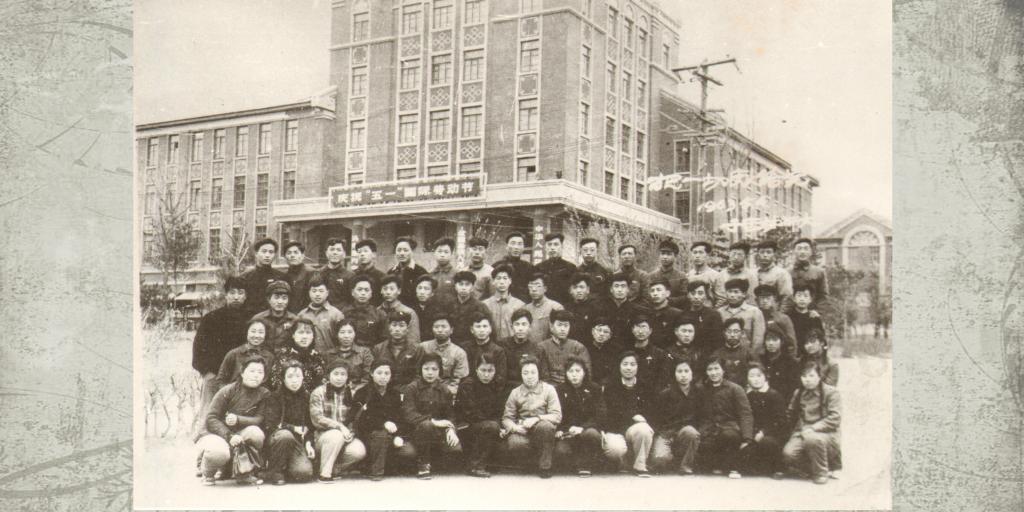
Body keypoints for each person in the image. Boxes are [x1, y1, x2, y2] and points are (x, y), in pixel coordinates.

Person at [196, 355, 270, 486]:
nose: (256, 375)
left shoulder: (263, 393)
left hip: (240, 435)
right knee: (218, 453)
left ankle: (244, 472)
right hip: (218, 434)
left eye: (260, 372)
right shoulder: (228, 390)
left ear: (264, 376)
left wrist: (238, 420)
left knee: (256, 433)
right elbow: (211, 418)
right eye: (252, 371)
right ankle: (207, 472)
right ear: (242, 372)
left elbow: (260, 419)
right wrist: (229, 436)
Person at [192, 276, 250, 415]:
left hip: (241, 378)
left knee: (236, 416)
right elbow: (199, 348)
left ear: (246, 296)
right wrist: (207, 373)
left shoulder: (250, 320)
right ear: (226, 295)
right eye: (232, 292)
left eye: (240, 293)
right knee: (209, 415)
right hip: (214, 376)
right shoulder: (211, 318)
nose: (236, 297)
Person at [401, 353, 462, 479]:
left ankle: (434, 460)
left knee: (455, 448)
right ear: (420, 369)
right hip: (415, 432)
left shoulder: (444, 390)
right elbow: (409, 414)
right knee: (425, 428)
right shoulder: (412, 388)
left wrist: (451, 429)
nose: (430, 373)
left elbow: (450, 415)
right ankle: (423, 464)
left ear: (439, 371)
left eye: (434, 369)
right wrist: (433, 421)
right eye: (426, 368)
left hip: (437, 433)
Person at [501, 356, 562, 478]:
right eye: (525, 373)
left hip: (542, 427)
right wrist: (515, 428)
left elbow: (556, 415)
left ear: (539, 373)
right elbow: (506, 418)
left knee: (546, 427)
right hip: (522, 429)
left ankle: (545, 467)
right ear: (521, 374)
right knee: (516, 444)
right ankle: (529, 465)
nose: (530, 376)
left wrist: (537, 418)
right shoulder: (515, 392)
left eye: (533, 372)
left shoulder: (549, 389)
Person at [781, 362, 841, 484]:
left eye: (811, 376)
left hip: (826, 433)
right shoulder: (799, 392)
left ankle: (821, 473)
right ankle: (810, 469)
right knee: (788, 454)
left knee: (812, 439)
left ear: (819, 376)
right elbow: (790, 414)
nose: (807, 380)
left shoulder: (831, 392)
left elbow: (835, 418)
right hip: (803, 430)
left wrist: (814, 428)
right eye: (804, 376)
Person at [309, 358, 367, 482]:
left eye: (343, 374)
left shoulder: (351, 393)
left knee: (359, 450)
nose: (339, 378)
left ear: (347, 377)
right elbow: (317, 419)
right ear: (328, 375)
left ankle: (334, 468)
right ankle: (325, 474)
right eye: (336, 374)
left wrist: (351, 432)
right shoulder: (318, 392)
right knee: (336, 435)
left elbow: (355, 418)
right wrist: (340, 427)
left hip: (344, 436)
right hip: (322, 438)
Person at [697, 357, 754, 479]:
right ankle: (716, 465)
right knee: (705, 446)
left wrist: (747, 438)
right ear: (706, 372)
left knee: (730, 437)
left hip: (729, 428)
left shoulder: (735, 389)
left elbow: (745, 414)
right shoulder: (701, 389)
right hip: (708, 430)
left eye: (716, 369)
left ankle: (733, 467)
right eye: (710, 369)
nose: (713, 373)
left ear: (723, 370)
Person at [601, 351, 656, 477]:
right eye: (625, 364)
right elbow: (610, 411)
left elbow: (650, 411)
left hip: (635, 429)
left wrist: (639, 420)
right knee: (615, 450)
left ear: (638, 366)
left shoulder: (645, 386)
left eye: (632, 364)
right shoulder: (610, 386)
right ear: (619, 366)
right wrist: (632, 416)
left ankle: (640, 466)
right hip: (615, 428)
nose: (629, 368)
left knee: (644, 429)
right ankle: (621, 462)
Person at [455, 354, 510, 478]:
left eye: (490, 371)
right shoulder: (467, 385)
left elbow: (498, 411)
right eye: (483, 370)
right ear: (476, 370)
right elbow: (470, 413)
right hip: (467, 426)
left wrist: (499, 426)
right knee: (491, 427)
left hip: (487, 425)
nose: (486, 375)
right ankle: (475, 466)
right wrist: (494, 424)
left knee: (494, 427)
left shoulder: (496, 385)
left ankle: (489, 463)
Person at [262, 360, 316, 485]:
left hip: (298, 441)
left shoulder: (307, 397)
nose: (294, 380)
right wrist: (293, 428)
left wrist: (308, 444)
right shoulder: (274, 397)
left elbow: (310, 426)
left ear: (303, 378)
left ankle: (289, 468)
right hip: (278, 439)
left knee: (304, 473)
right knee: (285, 435)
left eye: (298, 376)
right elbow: (271, 423)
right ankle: (276, 472)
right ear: (283, 379)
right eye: (290, 376)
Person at [353, 360, 406, 481]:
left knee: (408, 451)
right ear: (372, 373)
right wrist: (383, 424)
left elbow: (400, 417)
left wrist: (398, 434)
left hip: (391, 433)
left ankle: (387, 466)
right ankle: (376, 472)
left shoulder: (395, 394)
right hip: (369, 434)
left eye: (387, 373)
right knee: (380, 435)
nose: (383, 376)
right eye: (379, 373)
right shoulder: (363, 393)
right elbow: (360, 419)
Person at [554, 357, 607, 477]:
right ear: (566, 373)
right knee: (561, 452)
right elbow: (557, 413)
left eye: (578, 371)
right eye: (571, 371)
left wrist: (582, 427)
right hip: (568, 431)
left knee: (591, 434)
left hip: (587, 429)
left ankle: (586, 465)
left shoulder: (594, 388)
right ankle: (575, 464)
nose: (574, 375)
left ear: (584, 372)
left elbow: (601, 414)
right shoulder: (560, 390)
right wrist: (561, 429)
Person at [650, 360, 701, 475]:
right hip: (666, 433)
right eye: (679, 371)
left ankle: (686, 466)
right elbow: (656, 418)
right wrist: (660, 435)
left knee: (691, 432)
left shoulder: (698, 392)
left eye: (686, 371)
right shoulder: (665, 394)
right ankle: (672, 459)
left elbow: (703, 416)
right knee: (660, 460)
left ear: (692, 374)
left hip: (685, 433)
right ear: (674, 374)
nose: (683, 375)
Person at [742, 363, 788, 477]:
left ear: (765, 377)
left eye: (759, 375)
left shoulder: (774, 395)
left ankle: (777, 468)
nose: (756, 379)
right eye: (752, 376)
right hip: (754, 433)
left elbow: (780, 421)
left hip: (773, 433)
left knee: (767, 443)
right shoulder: (748, 396)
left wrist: (763, 432)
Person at [268, 318, 326, 394]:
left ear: (313, 336)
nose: (304, 336)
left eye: (308, 333)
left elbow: (323, 382)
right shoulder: (284, 355)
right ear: (293, 335)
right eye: (301, 332)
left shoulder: (317, 356)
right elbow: (275, 382)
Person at [216, 318, 276, 388]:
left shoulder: (269, 357)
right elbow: (221, 381)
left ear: (265, 334)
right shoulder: (234, 354)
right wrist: (229, 392)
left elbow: (270, 384)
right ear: (247, 332)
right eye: (253, 331)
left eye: (261, 332)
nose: (256, 336)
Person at [537, 309, 592, 385]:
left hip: (572, 387)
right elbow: (543, 376)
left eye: (566, 325)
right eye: (559, 325)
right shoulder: (542, 347)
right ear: (551, 326)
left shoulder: (578, 347)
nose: (563, 329)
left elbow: (587, 373)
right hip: (550, 388)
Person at [370, 310, 422, 387]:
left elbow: (419, 375)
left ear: (407, 328)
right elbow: (373, 373)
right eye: (394, 325)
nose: (397, 329)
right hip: (384, 388)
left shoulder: (417, 349)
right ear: (389, 327)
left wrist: (409, 389)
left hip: (408, 389)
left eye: (401, 325)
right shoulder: (378, 348)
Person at [598, 272, 650, 348]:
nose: (620, 290)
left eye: (623, 286)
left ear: (628, 289)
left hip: (629, 349)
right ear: (611, 289)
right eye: (616, 286)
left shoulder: (638, 311)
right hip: (605, 348)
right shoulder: (600, 309)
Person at [418, 314, 470, 389]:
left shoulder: (459, 353)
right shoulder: (423, 347)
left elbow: (459, 379)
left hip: (447, 390)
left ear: (451, 330)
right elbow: (415, 372)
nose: (439, 330)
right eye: (436, 327)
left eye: (443, 326)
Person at [297, 276, 345, 354]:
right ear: (309, 292)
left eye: (321, 291)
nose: (317, 294)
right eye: (314, 291)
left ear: (327, 293)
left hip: (331, 357)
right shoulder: (302, 315)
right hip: (307, 357)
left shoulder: (336, 314)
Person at [498, 308, 546, 385]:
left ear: (530, 327)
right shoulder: (502, 346)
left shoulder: (537, 349)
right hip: (507, 388)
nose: (520, 328)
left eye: (524, 324)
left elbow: (543, 377)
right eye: (517, 324)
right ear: (511, 326)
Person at [717, 278, 766, 353]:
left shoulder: (754, 312)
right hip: (724, 354)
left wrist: (751, 355)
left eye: (736, 292)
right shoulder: (720, 312)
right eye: (729, 291)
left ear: (744, 294)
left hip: (746, 354)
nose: (732, 295)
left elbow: (758, 339)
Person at [240, 237, 286, 315]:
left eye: (271, 252)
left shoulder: (281, 277)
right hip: (251, 318)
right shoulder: (244, 277)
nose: (267, 255)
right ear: (256, 253)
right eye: (264, 251)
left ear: (274, 255)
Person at [449, 270, 495, 347]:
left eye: (467, 284)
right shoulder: (448, 305)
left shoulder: (480, 306)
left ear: (472, 287)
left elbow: (490, 330)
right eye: (461, 284)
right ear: (455, 286)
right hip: (452, 345)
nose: (463, 288)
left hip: (473, 347)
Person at [461, 313, 509, 386]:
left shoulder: (498, 351)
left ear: (490, 329)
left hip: (490, 388)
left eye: (485, 326)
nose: (482, 330)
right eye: (478, 326)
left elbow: (500, 378)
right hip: (468, 388)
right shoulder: (465, 348)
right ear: (472, 330)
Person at [482, 264, 526, 341]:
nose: (502, 282)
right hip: (492, 345)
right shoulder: (485, 304)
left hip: (512, 345)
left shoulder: (519, 305)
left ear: (510, 281)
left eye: (505, 278)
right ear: (493, 281)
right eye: (498, 278)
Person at [250, 280, 298, 350]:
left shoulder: (294, 320)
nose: (280, 302)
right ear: (268, 299)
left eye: (284, 298)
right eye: (276, 297)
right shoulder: (258, 319)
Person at [326, 319, 374, 389]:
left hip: (358, 390)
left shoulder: (364, 352)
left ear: (355, 334)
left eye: (350, 332)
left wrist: (356, 390)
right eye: (342, 332)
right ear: (337, 334)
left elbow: (367, 378)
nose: (346, 336)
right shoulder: (329, 354)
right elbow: (326, 377)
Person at [341, 275, 386, 347]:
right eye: (359, 289)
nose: (363, 293)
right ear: (352, 292)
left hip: (371, 351)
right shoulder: (344, 313)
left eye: (366, 290)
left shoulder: (379, 314)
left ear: (371, 293)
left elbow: (383, 340)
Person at [710, 318, 756, 387]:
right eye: (729, 331)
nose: (732, 335)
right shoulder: (717, 354)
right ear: (724, 333)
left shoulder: (749, 353)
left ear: (742, 333)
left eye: (736, 331)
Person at [754, 284, 797, 357]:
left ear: (774, 299)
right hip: (759, 357)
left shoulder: (783, 318)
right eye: (762, 298)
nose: (765, 301)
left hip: (780, 357)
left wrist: (790, 359)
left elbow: (791, 342)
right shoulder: (755, 317)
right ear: (757, 300)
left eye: (768, 298)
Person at [628, 315, 670, 389]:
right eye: (637, 327)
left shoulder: (660, 354)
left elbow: (662, 380)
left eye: (643, 327)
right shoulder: (626, 352)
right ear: (632, 330)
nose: (640, 331)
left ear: (650, 331)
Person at [535, 232, 577, 305]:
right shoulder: (538, 267)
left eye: (556, 244)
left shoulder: (571, 267)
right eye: (549, 244)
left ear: (562, 246)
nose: (552, 248)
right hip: (544, 306)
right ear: (545, 247)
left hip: (564, 306)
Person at [788, 238, 829, 311]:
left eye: (806, 249)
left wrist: (818, 312)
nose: (802, 252)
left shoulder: (819, 272)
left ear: (811, 252)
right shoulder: (787, 272)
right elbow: (784, 296)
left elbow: (823, 296)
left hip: (812, 313)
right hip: (791, 313)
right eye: (799, 249)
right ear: (794, 251)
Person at [522, 272, 564, 344]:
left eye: (538, 286)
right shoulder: (525, 309)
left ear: (545, 289)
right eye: (531, 286)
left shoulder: (556, 307)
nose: (534, 289)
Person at [378, 275, 421, 344]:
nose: (388, 292)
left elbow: (414, 340)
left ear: (399, 291)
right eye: (385, 289)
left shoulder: (409, 312)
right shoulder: (376, 311)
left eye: (392, 289)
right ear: (381, 291)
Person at [386, 236, 428, 308]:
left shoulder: (421, 272)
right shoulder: (391, 272)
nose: (402, 253)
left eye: (405, 250)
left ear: (412, 251)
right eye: (399, 250)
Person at [494, 231, 536, 303]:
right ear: (507, 246)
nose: (516, 247)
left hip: (524, 305)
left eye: (520, 244)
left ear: (523, 247)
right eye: (513, 243)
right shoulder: (496, 266)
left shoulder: (530, 267)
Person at [714, 242, 759, 308]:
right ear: (729, 254)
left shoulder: (751, 276)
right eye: (733, 254)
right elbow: (719, 297)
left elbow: (752, 300)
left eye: (739, 255)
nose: (735, 257)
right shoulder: (721, 274)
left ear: (746, 257)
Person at [761, 324, 800, 401]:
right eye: (768, 340)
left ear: (782, 341)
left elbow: (793, 389)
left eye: (774, 340)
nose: (771, 343)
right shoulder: (761, 361)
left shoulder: (790, 363)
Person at [646, 277, 687, 349]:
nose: (655, 293)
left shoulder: (677, 314)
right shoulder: (646, 313)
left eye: (659, 290)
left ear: (667, 293)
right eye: (652, 291)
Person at [684, 281, 724, 352]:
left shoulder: (713, 315)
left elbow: (718, 342)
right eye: (693, 293)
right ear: (688, 295)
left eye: (700, 293)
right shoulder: (683, 314)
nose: (696, 297)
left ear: (706, 295)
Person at [788, 283, 826, 357]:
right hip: (793, 354)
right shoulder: (788, 317)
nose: (802, 299)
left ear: (810, 299)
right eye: (799, 296)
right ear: (794, 299)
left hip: (809, 354)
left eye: (805, 296)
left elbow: (821, 338)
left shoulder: (814, 317)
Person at [648, 240, 689, 308]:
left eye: (669, 254)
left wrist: (668, 301)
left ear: (675, 256)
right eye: (663, 253)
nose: (665, 257)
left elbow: (685, 297)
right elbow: (647, 295)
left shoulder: (681, 276)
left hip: (675, 311)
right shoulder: (651, 276)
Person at [664, 316, 705, 384]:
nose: (687, 335)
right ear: (676, 331)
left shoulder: (699, 352)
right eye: (684, 331)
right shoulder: (668, 352)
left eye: (690, 331)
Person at [755, 240, 794, 310]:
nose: (765, 255)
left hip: (773, 313)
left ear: (774, 254)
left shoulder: (781, 273)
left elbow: (787, 298)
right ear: (758, 254)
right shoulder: (753, 273)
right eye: (762, 252)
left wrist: (779, 315)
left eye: (768, 252)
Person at [319, 237, 356, 310]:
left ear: (344, 254)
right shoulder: (319, 274)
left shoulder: (350, 276)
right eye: (332, 249)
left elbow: (352, 301)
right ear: (326, 253)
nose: (335, 253)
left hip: (343, 313)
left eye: (338, 250)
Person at [564, 272, 601, 346]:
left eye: (581, 287)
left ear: (588, 290)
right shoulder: (566, 308)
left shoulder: (595, 308)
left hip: (589, 346)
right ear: (570, 291)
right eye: (575, 287)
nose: (578, 290)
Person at [584, 316, 622, 386]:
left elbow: (615, 371)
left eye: (606, 332)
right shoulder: (584, 348)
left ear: (610, 335)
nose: (601, 334)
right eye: (599, 330)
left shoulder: (615, 350)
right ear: (592, 331)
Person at [282, 240, 316, 313]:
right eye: (289, 253)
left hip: (307, 314)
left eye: (296, 252)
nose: (292, 255)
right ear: (285, 256)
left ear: (302, 255)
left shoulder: (311, 272)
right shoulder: (284, 275)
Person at [686, 241, 721, 306]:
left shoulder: (716, 276)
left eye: (701, 252)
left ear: (708, 255)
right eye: (695, 252)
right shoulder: (688, 275)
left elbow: (721, 300)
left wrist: (712, 311)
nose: (697, 256)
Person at [410, 275, 443, 342]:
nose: (422, 292)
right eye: (419, 288)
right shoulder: (411, 309)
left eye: (426, 289)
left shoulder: (439, 310)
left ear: (432, 293)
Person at [429, 237, 458, 303]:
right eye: (439, 251)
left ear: (451, 254)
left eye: (446, 252)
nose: (442, 255)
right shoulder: (430, 274)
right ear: (434, 253)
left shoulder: (457, 274)